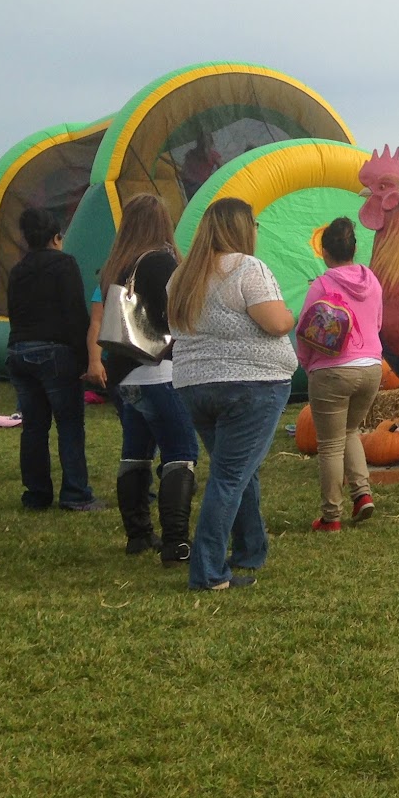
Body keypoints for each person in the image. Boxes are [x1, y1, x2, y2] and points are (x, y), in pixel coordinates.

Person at [167, 197, 296, 590]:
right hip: (252, 385)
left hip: (195, 386)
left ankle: (250, 550)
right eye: (253, 224)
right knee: (229, 477)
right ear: (241, 229)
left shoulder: (182, 276)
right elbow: (276, 324)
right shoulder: (248, 268)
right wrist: (291, 314)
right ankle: (208, 573)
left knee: (240, 470)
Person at [88, 194, 199, 561]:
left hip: (126, 374)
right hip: (159, 371)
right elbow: (174, 315)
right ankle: (176, 541)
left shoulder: (116, 265)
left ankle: (138, 534)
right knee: (180, 451)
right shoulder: (161, 261)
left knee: (135, 453)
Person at [4, 207, 102, 511]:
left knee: (34, 427)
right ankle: (75, 494)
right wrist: (87, 358)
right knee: (69, 425)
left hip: (19, 350)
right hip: (55, 353)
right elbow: (74, 314)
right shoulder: (64, 264)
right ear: (57, 237)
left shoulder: (18, 270)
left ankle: (36, 494)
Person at [295, 217, 383, 533]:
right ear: (354, 248)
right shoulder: (372, 280)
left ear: (324, 251)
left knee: (330, 443)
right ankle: (362, 494)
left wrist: (306, 365)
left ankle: (331, 516)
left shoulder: (322, 284)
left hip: (331, 370)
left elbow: (305, 330)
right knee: (350, 431)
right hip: (371, 368)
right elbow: (378, 323)